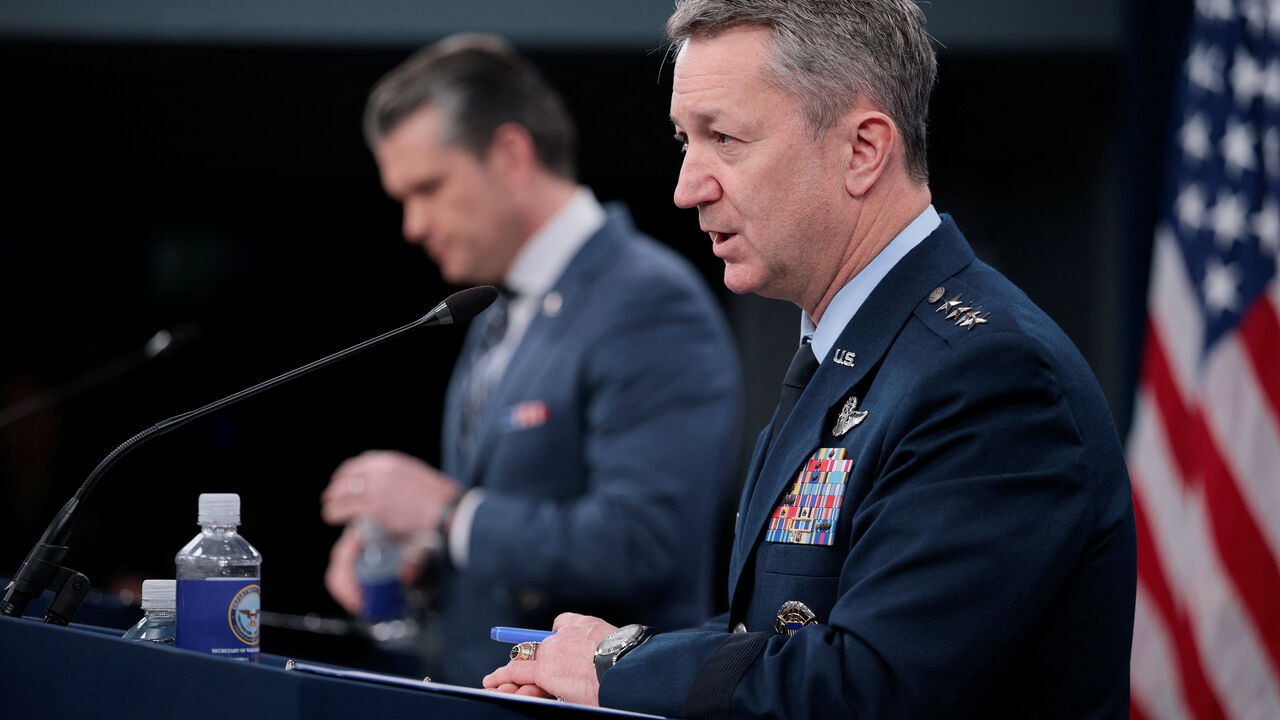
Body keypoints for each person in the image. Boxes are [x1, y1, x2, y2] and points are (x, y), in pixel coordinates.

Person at [482, 2, 1138, 717]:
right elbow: (770, 632)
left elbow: (868, 688)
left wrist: (619, 667)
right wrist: (594, 662)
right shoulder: (853, 352)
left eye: (724, 138)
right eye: (684, 139)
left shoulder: (990, 374)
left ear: (862, 150)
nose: (686, 187)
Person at [319, 33, 742, 687]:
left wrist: (446, 512)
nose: (412, 224)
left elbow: (645, 544)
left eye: (428, 188)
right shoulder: (493, 311)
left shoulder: (648, 300)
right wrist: (423, 550)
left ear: (511, 155)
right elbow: (514, 515)